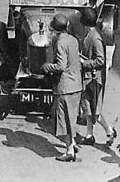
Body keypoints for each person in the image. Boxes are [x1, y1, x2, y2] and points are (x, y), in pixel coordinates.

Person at [41, 13, 83, 162]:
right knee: (72, 117)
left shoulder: (59, 42)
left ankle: (69, 150)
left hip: (65, 87)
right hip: (76, 85)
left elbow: (61, 66)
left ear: (54, 29)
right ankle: (73, 142)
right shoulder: (73, 40)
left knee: (62, 120)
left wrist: (47, 66)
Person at [78, 6, 117, 146]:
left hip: (94, 79)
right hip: (88, 77)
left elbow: (100, 60)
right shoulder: (92, 34)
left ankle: (109, 130)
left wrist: (84, 62)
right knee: (87, 105)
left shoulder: (95, 38)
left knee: (95, 110)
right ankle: (89, 135)